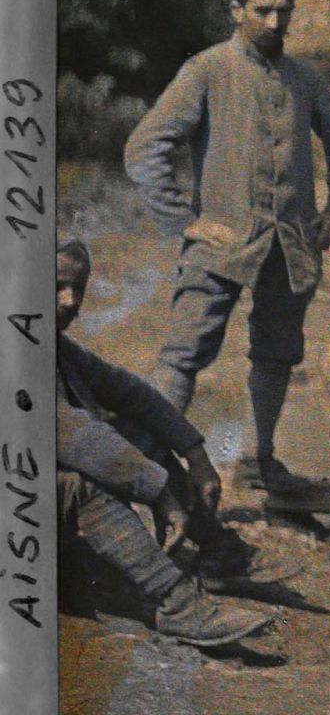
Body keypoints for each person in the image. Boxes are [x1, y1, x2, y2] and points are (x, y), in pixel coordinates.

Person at [124, 0, 330, 490]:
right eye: (262, 11)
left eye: (284, 11)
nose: (275, 23)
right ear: (236, 11)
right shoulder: (207, 70)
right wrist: (184, 221)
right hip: (220, 242)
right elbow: (145, 147)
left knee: (278, 350)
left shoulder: (304, 78)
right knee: (184, 352)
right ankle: (149, 467)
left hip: (291, 244)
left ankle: (259, 461)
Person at [55, 241, 278, 650]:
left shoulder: (55, 348)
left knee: (143, 435)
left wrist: (194, 452)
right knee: (80, 484)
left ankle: (216, 553)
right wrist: (159, 494)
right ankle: (177, 605)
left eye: (78, 289)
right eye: (56, 287)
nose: (70, 301)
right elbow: (76, 434)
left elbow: (131, 393)